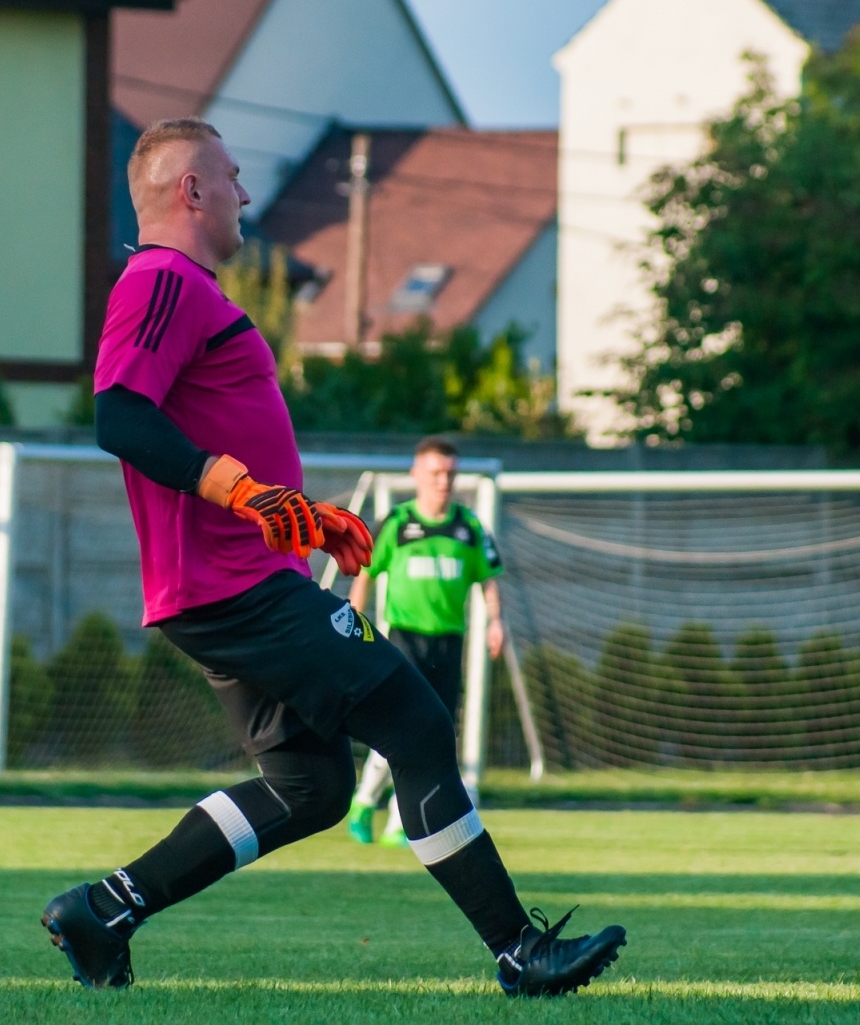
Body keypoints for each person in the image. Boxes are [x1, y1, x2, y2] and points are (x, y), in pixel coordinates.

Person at [41, 118, 626, 999]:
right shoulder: (163, 279)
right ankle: (517, 952)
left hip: (235, 582)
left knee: (310, 787)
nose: (244, 193)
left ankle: (106, 908)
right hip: (234, 591)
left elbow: (209, 437)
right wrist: (240, 492)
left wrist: (303, 520)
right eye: (231, 177)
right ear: (189, 191)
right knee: (419, 726)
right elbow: (120, 417)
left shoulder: (183, 287)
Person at [345, 437, 505, 847]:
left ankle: (400, 822)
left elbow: (488, 579)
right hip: (403, 640)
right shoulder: (395, 524)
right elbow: (364, 574)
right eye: (435, 472)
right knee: (399, 729)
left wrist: (496, 623)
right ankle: (364, 802)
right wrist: (354, 623)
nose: (443, 481)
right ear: (416, 474)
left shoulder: (468, 528)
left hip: (449, 644)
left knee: (434, 733)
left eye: (450, 473)